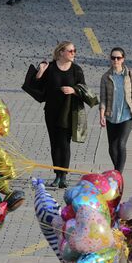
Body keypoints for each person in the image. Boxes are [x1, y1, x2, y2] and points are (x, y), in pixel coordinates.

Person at [35, 41, 86, 189]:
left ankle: (63, 176)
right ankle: (57, 175)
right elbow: (37, 86)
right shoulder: (50, 68)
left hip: (69, 111)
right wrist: (40, 71)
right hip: (51, 111)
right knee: (54, 143)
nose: (73, 53)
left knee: (64, 143)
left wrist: (73, 90)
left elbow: (84, 88)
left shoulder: (76, 70)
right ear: (61, 52)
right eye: (70, 51)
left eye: (74, 50)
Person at [99, 47, 132, 173]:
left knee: (121, 144)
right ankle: (117, 171)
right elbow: (103, 98)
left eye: (118, 58)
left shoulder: (130, 76)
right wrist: (102, 115)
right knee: (112, 148)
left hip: (126, 116)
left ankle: (118, 174)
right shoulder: (106, 77)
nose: (115, 60)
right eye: (113, 58)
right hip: (111, 116)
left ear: (123, 59)